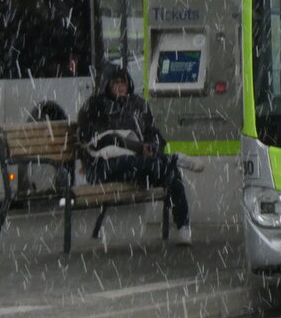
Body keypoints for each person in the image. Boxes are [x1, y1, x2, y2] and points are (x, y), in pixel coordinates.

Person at [76, 64, 204, 245]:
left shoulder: (137, 104)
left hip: (138, 165)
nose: (120, 87)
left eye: (124, 82)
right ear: (106, 84)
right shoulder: (94, 107)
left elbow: (152, 132)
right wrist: (137, 147)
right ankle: (173, 158)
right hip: (102, 166)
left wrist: (153, 146)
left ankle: (184, 227)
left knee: (171, 172)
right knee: (147, 163)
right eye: (116, 83)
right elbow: (101, 140)